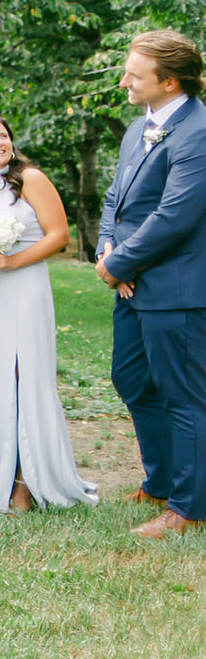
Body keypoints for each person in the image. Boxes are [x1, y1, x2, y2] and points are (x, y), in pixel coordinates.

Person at [0, 114, 97, 512]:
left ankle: (26, 480)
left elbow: (59, 236)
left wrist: (14, 262)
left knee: (22, 375)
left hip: (23, 289)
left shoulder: (31, 180)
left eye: (4, 136)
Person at [97, 30, 206, 539]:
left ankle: (187, 509)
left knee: (184, 397)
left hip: (178, 286)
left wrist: (122, 264)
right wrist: (105, 247)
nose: (124, 81)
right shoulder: (138, 129)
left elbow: (176, 215)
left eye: (134, 75)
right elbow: (115, 199)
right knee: (133, 379)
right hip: (132, 282)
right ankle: (160, 479)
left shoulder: (198, 130)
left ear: (169, 80)